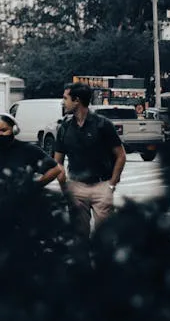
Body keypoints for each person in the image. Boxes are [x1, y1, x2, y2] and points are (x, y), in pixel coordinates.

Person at [54, 82, 127, 238]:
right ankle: (83, 263)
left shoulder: (103, 125)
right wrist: (65, 188)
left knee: (105, 237)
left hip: (102, 186)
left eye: (65, 98)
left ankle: (104, 262)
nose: (62, 102)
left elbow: (121, 155)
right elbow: (57, 163)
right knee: (79, 236)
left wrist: (112, 185)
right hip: (76, 187)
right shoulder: (65, 127)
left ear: (77, 100)